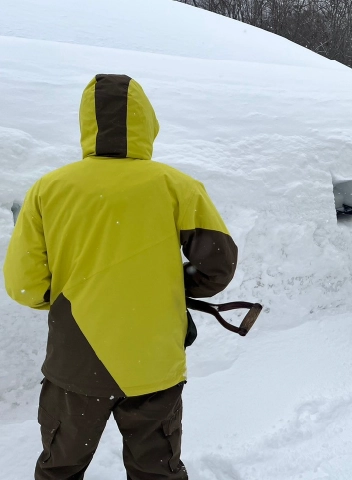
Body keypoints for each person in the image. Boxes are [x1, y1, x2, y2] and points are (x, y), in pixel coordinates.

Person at [3, 74, 238, 479]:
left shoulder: (49, 189)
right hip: (154, 364)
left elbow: (24, 282)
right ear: (147, 122)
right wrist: (170, 287)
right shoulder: (177, 187)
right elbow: (217, 265)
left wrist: (60, 297)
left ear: (87, 125)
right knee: (156, 470)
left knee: (60, 469)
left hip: (75, 364)